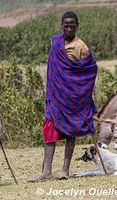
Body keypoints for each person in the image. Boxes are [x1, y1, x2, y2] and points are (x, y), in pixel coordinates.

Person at [29, 11, 98, 182]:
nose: (68, 28)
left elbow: (90, 70)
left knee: (70, 132)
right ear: (61, 25)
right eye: (66, 25)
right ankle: (46, 172)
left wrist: (82, 94)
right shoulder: (55, 42)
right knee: (49, 131)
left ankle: (65, 170)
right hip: (55, 97)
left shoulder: (81, 46)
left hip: (72, 99)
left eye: (72, 25)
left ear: (77, 26)